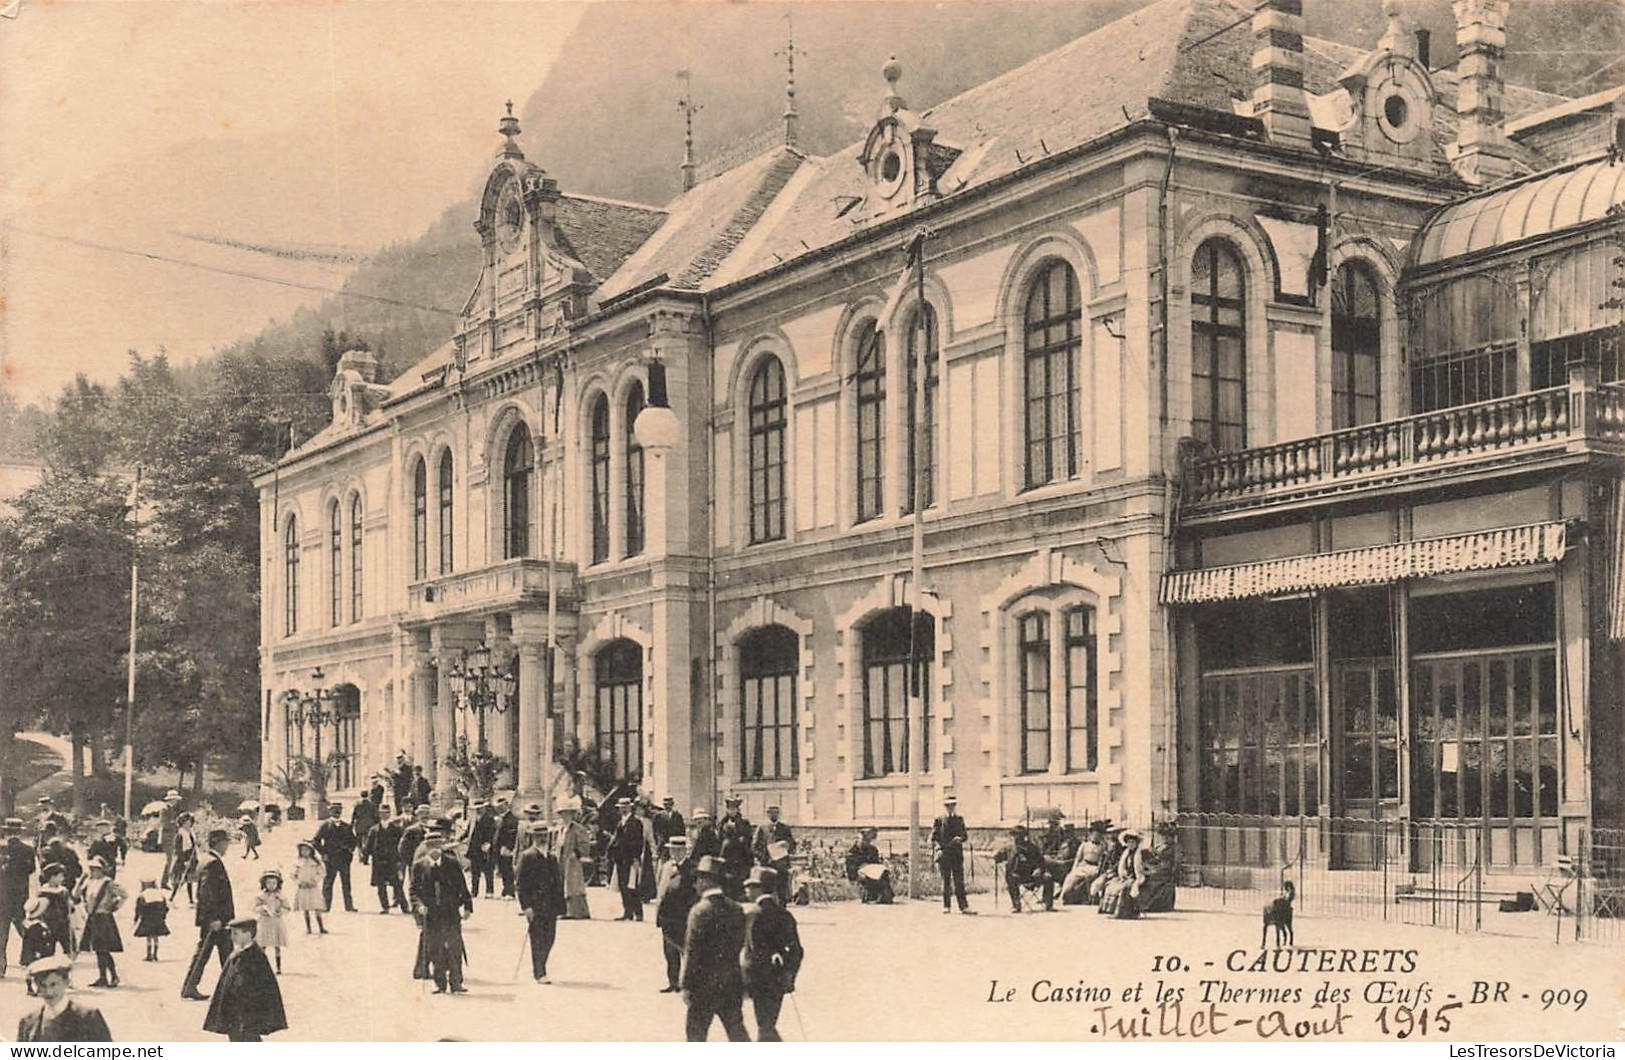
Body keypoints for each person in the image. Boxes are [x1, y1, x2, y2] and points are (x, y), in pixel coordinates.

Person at [680, 855, 750, 1042]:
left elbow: (692, 952)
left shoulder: (699, 911)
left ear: (707, 881)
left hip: (703, 985)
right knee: (737, 1034)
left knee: (695, 1036)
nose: (695, 884)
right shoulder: (736, 909)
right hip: (731, 981)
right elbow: (740, 944)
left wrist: (685, 985)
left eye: (699, 879)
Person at [742, 867, 804, 1042]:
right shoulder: (784, 915)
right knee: (768, 1023)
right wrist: (790, 974)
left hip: (758, 979)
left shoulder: (753, 914)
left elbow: (754, 950)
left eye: (750, 886)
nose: (746, 890)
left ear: (758, 888)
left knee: (764, 1026)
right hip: (778, 978)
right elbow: (797, 950)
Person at [203, 918, 288, 1042]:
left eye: (235, 933)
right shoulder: (236, 954)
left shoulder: (256, 956)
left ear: (248, 935)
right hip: (234, 1012)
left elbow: (264, 987)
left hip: (249, 1014)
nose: (232, 937)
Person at [410, 832, 472, 994]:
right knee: (435, 948)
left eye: (437, 846)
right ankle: (440, 983)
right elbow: (413, 891)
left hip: (450, 912)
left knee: (454, 948)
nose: (435, 850)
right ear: (426, 848)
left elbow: (462, 887)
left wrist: (467, 907)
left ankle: (456, 982)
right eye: (431, 847)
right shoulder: (419, 866)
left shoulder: (452, 864)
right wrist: (419, 906)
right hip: (431, 914)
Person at [180, 829, 233, 1001]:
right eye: (226, 841)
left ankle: (193, 986)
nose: (228, 846)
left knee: (219, 952)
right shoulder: (212, 862)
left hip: (215, 918)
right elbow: (206, 893)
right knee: (208, 952)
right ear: (219, 842)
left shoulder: (206, 860)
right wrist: (215, 918)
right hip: (216, 919)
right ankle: (191, 987)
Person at [17, 955, 112, 1042]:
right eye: (43, 986)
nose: (49, 992)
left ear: (66, 983)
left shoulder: (88, 1017)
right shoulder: (28, 1023)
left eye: (53, 984)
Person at [515, 822, 565, 984]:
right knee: (537, 938)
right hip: (535, 905)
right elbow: (521, 885)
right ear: (533, 837)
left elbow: (557, 882)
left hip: (551, 905)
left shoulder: (552, 857)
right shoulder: (527, 856)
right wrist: (526, 907)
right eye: (538, 836)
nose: (542, 838)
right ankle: (539, 972)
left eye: (544, 835)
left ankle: (541, 966)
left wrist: (560, 905)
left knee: (550, 937)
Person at [74, 856, 125, 987]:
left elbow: (124, 895)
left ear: (102, 870)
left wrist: (114, 906)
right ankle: (103, 977)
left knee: (104, 949)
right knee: (98, 949)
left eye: (95, 869)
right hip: (92, 917)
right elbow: (76, 895)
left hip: (104, 917)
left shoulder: (107, 882)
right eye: (91, 868)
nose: (92, 871)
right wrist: (81, 881)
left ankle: (113, 976)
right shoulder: (90, 882)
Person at [654, 838, 697, 994]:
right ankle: (673, 982)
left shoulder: (692, 869)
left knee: (686, 950)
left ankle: (688, 983)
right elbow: (661, 889)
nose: (675, 853)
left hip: (682, 915)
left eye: (679, 850)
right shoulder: (666, 867)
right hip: (667, 915)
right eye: (673, 850)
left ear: (686, 851)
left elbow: (693, 893)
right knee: (669, 951)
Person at [0, 817, 36, 977]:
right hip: (20, 895)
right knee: (24, 929)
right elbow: (31, 870)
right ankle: (33, 960)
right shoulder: (28, 849)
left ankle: (1, 967)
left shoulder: (2, 849)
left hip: (3, 896)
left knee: (2, 933)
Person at [995, 823, 1055, 914]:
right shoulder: (1009, 848)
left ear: (1024, 836)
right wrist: (996, 856)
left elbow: (1042, 862)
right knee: (1011, 878)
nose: (1017, 838)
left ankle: (1048, 904)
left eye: (1020, 836)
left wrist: (1039, 870)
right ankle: (1016, 905)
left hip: (1032, 875)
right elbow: (997, 858)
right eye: (1015, 835)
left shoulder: (1032, 848)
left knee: (1048, 877)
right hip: (1017, 875)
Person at [930, 795, 973, 914]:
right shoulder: (939, 820)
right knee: (946, 882)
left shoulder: (959, 819)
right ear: (945, 806)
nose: (950, 808)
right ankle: (946, 905)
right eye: (948, 805)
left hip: (956, 855)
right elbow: (934, 837)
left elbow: (965, 835)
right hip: (944, 854)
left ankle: (963, 906)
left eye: (952, 805)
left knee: (959, 881)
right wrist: (941, 847)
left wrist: (960, 839)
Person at [313, 803, 358, 912]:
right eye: (334, 810)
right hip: (330, 859)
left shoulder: (346, 826)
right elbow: (316, 841)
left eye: (338, 810)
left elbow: (354, 841)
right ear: (330, 811)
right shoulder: (325, 825)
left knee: (346, 883)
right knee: (328, 883)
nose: (336, 812)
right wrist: (324, 853)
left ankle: (349, 906)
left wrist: (350, 851)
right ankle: (325, 906)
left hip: (344, 859)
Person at [609, 797, 646, 921]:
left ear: (630, 807)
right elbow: (616, 840)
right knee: (623, 885)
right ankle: (627, 911)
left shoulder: (636, 822)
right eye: (621, 807)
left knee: (633, 886)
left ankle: (638, 912)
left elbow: (639, 842)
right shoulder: (620, 823)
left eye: (625, 807)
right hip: (620, 859)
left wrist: (636, 857)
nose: (623, 809)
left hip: (631, 859)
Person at [752, 804, 796, 904]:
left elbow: (792, 845)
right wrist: (763, 858)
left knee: (782, 892)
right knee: (767, 891)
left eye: (776, 813)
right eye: (771, 813)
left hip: (781, 866)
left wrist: (787, 845)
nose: (773, 815)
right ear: (767, 814)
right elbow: (755, 847)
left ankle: (782, 913)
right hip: (767, 865)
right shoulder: (762, 828)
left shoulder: (784, 828)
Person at [554, 805, 592, 920]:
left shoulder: (577, 828)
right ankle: (563, 910)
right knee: (561, 883)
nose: (564, 816)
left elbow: (585, 843)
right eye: (562, 814)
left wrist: (577, 852)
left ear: (572, 815)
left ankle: (577, 912)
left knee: (573, 885)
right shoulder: (560, 828)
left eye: (567, 814)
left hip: (572, 860)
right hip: (561, 858)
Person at [1099, 829, 1146, 919]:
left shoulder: (1141, 854)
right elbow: (1122, 867)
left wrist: (1137, 876)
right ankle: (1108, 910)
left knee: (1125, 887)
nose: (1131, 844)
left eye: (1133, 842)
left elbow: (1143, 868)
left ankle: (1122, 912)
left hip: (1137, 877)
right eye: (1129, 842)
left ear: (1136, 843)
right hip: (1127, 876)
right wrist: (1123, 874)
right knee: (1110, 884)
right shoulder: (1126, 853)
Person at [1061, 820, 1111, 905]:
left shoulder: (1103, 846)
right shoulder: (1084, 845)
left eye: (1098, 835)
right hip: (1083, 866)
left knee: (1091, 877)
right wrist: (1074, 868)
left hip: (1095, 867)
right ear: (1090, 835)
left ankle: (1090, 898)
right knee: (1070, 877)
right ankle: (1063, 896)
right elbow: (1078, 858)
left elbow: (1105, 859)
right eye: (1094, 834)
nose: (1095, 837)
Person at [366, 813, 408, 913]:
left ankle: (404, 907)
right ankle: (385, 907)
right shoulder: (374, 829)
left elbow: (401, 844)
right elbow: (368, 844)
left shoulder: (396, 829)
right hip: (378, 861)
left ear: (389, 814)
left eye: (386, 813)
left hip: (392, 861)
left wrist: (399, 859)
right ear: (379, 815)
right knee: (381, 885)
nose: (384, 815)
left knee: (397, 884)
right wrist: (366, 856)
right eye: (382, 813)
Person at [716, 796, 754, 901]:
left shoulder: (744, 823)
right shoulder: (722, 823)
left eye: (734, 808)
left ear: (738, 810)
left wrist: (742, 840)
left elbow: (749, 839)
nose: (732, 811)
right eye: (730, 808)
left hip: (741, 859)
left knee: (739, 887)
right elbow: (718, 840)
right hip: (726, 859)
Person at [844, 827, 894, 904]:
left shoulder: (873, 849)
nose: (865, 842)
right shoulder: (852, 851)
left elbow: (876, 862)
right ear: (858, 840)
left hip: (872, 870)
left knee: (883, 874)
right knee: (868, 877)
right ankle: (873, 896)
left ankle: (885, 896)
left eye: (867, 841)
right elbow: (850, 867)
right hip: (859, 872)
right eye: (863, 840)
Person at [253, 870, 289, 973]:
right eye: (269, 883)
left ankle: (278, 967)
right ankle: (262, 967)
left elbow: (287, 907)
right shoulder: (261, 896)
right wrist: (262, 910)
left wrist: (280, 911)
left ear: (278, 884)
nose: (271, 885)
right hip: (264, 922)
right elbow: (255, 907)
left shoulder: (280, 896)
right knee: (263, 944)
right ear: (264, 883)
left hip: (276, 922)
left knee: (277, 945)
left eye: (274, 883)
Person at [19, 898, 56, 994]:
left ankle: (31, 987)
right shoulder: (38, 927)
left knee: (30, 970)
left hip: (29, 952)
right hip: (38, 952)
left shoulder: (27, 925)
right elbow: (40, 941)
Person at [37, 864, 74, 956]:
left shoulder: (63, 891)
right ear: (52, 877)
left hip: (63, 924)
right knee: (48, 950)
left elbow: (69, 908)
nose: (63, 878)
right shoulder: (43, 892)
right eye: (60, 876)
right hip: (49, 924)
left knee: (69, 948)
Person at [292, 841, 328, 934]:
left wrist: (314, 881)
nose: (304, 852)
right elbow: (293, 875)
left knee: (317, 907)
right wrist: (299, 882)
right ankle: (308, 928)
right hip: (303, 888)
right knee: (306, 908)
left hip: (313, 888)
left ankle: (321, 927)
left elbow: (322, 873)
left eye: (307, 850)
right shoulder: (298, 863)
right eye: (302, 850)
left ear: (311, 851)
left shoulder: (315, 863)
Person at [464, 801, 497, 899]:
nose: (478, 810)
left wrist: (489, 844)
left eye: (480, 808)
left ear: (484, 808)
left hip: (484, 848)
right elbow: (468, 832)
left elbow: (492, 833)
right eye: (476, 808)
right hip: (474, 849)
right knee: (475, 872)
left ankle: (489, 891)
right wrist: (460, 838)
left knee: (488, 870)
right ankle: (474, 891)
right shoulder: (473, 819)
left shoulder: (489, 819)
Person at [132, 879, 169, 962]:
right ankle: (155, 955)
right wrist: (163, 916)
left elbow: (138, 909)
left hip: (147, 918)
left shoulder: (142, 895)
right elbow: (165, 907)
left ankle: (149, 955)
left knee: (148, 937)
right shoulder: (160, 895)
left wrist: (136, 919)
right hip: (157, 918)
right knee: (156, 937)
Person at [493, 797, 520, 899]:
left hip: (506, 848)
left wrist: (508, 847)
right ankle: (505, 890)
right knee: (503, 869)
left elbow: (512, 835)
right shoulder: (501, 818)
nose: (498, 809)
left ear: (506, 805)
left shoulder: (512, 819)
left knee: (508, 870)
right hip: (499, 848)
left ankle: (510, 891)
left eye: (500, 807)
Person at [169, 814, 197, 904]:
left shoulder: (191, 833)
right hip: (183, 858)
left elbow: (193, 846)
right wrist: (184, 861)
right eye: (186, 822)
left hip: (191, 857)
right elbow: (178, 850)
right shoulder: (180, 834)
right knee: (178, 880)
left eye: (189, 822)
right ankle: (171, 898)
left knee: (190, 880)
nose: (188, 824)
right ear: (182, 823)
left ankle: (191, 899)